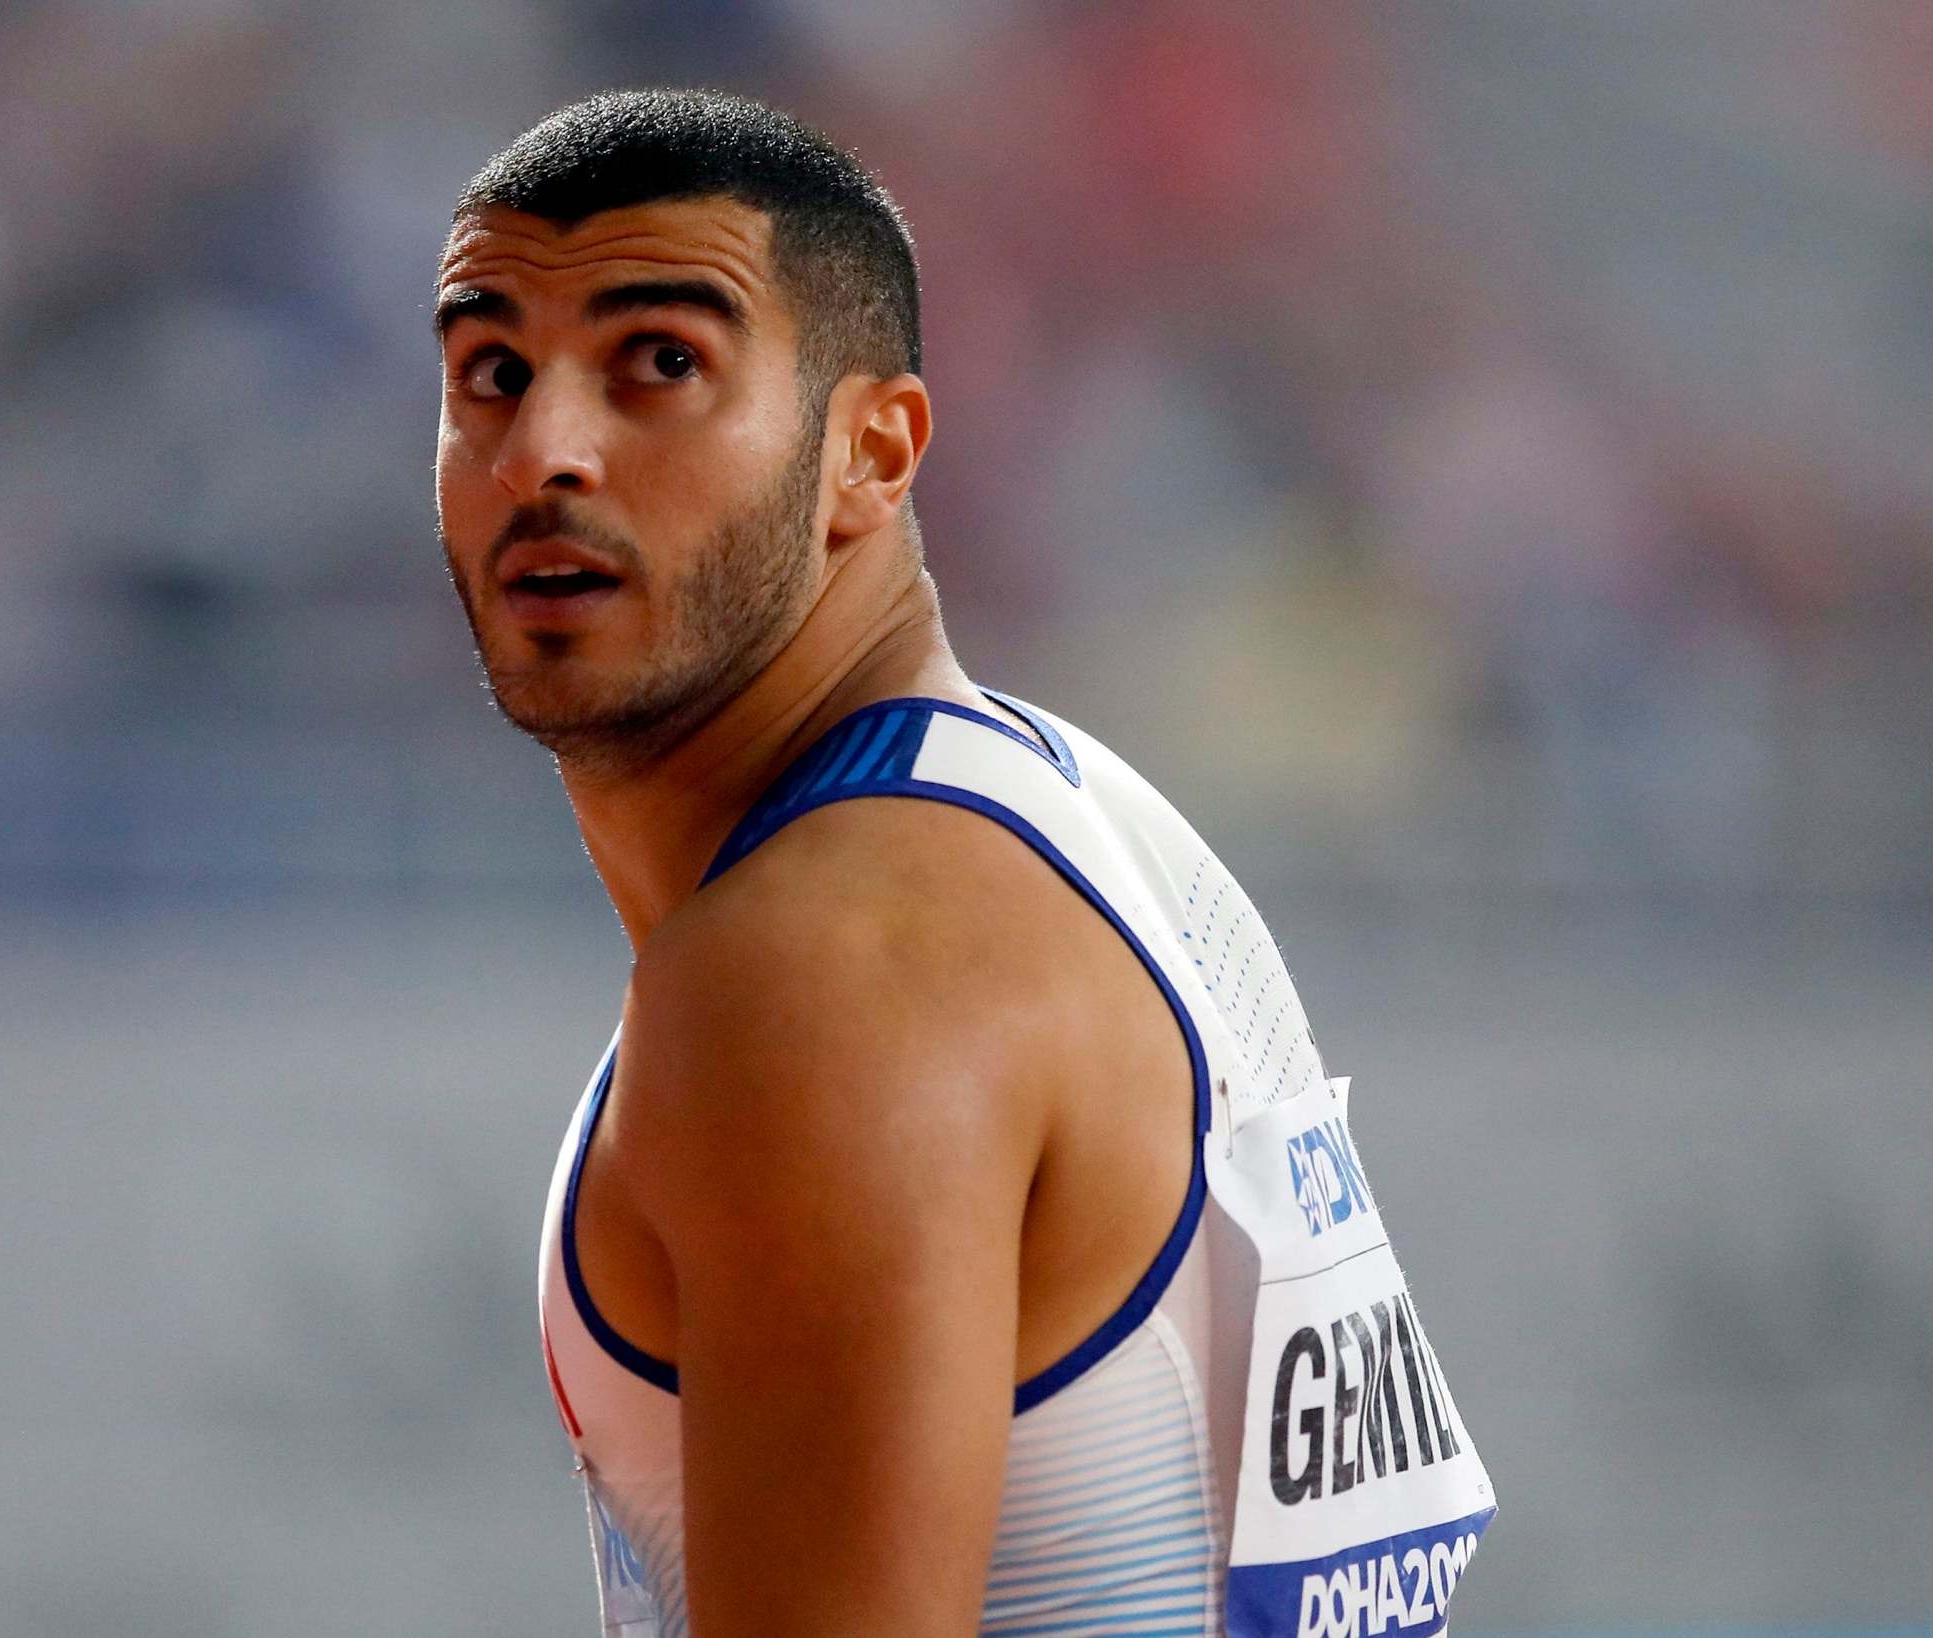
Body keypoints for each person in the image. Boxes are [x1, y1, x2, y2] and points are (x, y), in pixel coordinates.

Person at [434, 89, 1494, 1638]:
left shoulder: (825, 962)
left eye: (658, 363)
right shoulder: (1068, 807)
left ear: (874, 449)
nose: (547, 451)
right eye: (489, 374)